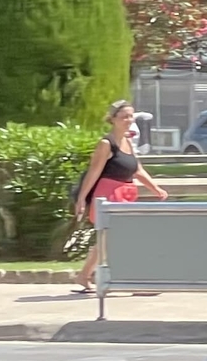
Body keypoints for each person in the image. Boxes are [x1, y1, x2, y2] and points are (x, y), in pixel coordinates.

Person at [72, 99, 168, 293]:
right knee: (120, 238)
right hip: (108, 196)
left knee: (106, 241)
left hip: (126, 193)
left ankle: (84, 275)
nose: (128, 120)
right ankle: (135, 281)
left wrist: (156, 189)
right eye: (124, 117)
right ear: (112, 119)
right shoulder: (106, 144)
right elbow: (94, 172)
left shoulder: (128, 142)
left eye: (131, 116)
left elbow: (137, 169)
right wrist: (82, 199)